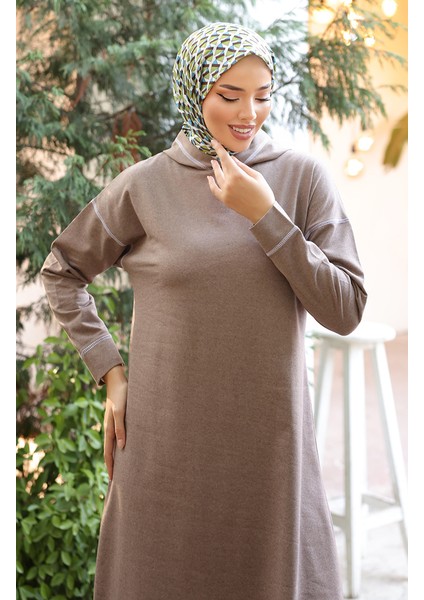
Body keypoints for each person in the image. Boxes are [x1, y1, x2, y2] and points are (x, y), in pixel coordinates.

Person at [41, 22, 367, 600]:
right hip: (164, 450)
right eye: (229, 95)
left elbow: (346, 308)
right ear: (194, 92)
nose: (249, 114)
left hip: (267, 451)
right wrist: (111, 372)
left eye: (263, 95)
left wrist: (266, 216)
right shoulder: (146, 185)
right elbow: (63, 271)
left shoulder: (301, 178)